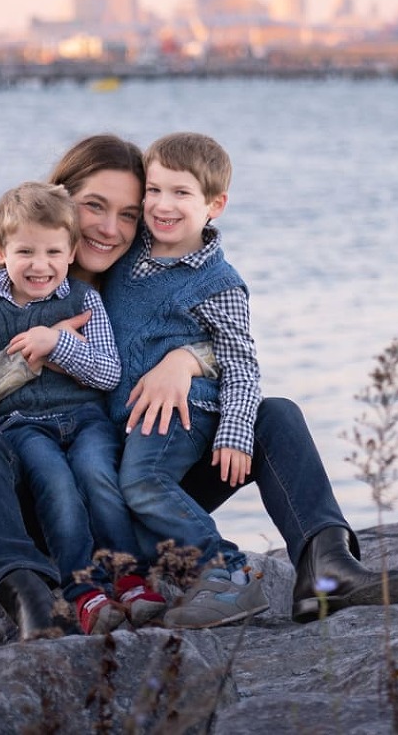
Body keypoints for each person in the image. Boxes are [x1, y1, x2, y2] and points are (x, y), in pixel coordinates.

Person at [0, 134, 398, 640]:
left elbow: (226, 344)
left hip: (137, 480)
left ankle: (326, 563)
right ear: (61, 198)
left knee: (275, 415)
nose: (109, 229)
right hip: (46, 483)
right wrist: (33, 354)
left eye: (128, 214)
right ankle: (28, 593)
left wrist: (184, 360)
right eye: (94, 207)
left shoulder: (139, 266)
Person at [0, 181, 164, 634]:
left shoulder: (85, 299)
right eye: (26, 253)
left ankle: (129, 577)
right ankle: (84, 591)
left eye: (54, 252)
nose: (41, 266)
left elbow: (107, 374)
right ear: (1, 251)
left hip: (86, 418)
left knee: (98, 475)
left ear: (72, 251)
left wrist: (56, 344)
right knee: (55, 483)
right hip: (23, 426)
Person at [101, 132, 268, 627]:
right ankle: (186, 579)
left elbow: (240, 362)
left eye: (180, 193)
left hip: (183, 411)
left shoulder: (219, 283)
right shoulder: (129, 255)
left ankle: (228, 572)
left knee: (143, 482)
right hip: (131, 415)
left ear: (215, 205)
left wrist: (236, 432)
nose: (162, 204)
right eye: (153, 190)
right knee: (128, 504)